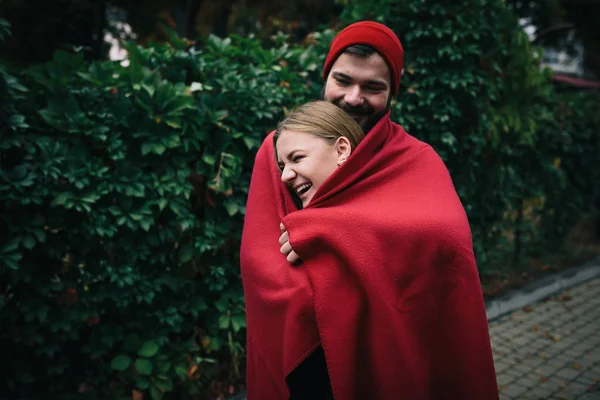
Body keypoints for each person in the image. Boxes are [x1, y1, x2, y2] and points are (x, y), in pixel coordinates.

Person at [240, 21, 499, 400]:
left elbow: (445, 237)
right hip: (309, 360)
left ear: (393, 92)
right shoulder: (282, 147)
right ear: (326, 75)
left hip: (391, 348)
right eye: (342, 80)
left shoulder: (415, 159)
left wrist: (325, 229)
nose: (353, 97)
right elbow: (260, 258)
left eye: (373, 87)